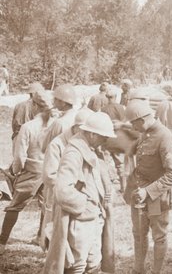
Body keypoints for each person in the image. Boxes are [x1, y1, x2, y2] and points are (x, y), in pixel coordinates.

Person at [44, 112, 116, 274]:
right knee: (76, 265)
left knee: (93, 263)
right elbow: (62, 190)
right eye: (103, 137)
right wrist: (85, 205)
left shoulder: (89, 148)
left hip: (93, 218)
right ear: (91, 134)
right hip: (80, 221)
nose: (106, 140)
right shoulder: (74, 152)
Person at [122, 101, 172, 274]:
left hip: (156, 197)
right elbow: (132, 153)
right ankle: (138, 269)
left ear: (143, 119)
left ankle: (156, 271)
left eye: (133, 122)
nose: (132, 126)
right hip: (138, 196)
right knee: (138, 234)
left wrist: (147, 191)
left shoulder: (165, 137)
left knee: (158, 237)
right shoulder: (144, 133)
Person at [0, 91, 54, 255]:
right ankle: (42, 239)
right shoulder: (56, 124)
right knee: (47, 206)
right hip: (50, 169)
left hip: (32, 170)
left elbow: (19, 157)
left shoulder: (28, 127)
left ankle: (2, 243)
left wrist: (14, 172)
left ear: (35, 105)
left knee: (14, 206)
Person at [41, 107, 94, 250]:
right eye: (85, 131)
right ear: (76, 127)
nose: (88, 135)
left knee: (73, 238)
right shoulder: (57, 145)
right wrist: (69, 184)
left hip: (76, 198)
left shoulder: (85, 143)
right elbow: (49, 175)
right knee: (54, 235)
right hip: (57, 198)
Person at [102, 86, 127, 192]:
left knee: (104, 164)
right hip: (118, 139)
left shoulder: (103, 109)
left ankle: (106, 189)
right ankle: (123, 187)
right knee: (120, 164)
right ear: (116, 97)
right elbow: (125, 123)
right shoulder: (121, 108)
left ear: (107, 97)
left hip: (106, 139)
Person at [41, 84, 77, 154]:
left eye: (55, 99)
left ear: (63, 102)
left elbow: (44, 148)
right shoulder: (78, 116)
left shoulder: (59, 123)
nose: (53, 102)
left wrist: (47, 122)